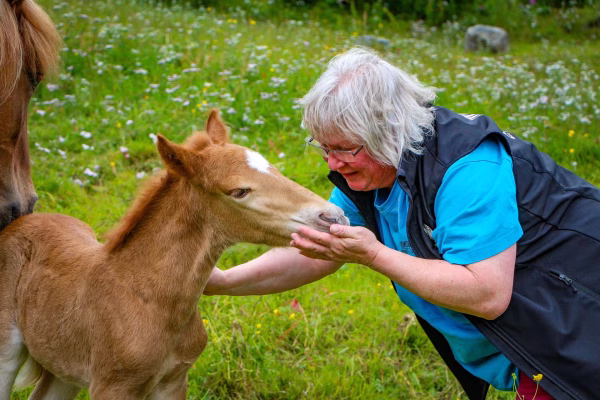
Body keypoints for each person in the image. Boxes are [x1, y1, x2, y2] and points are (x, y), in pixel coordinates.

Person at [204, 47, 600, 400]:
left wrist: (375, 255)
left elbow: (486, 294)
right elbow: (321, 246)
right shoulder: (371, 176)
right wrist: (224, 282)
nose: (332, 163)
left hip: (579, 332)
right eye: (323, 147)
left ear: (389, 132)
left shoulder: (467, 170)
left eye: (344, 149)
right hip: (536, 349)